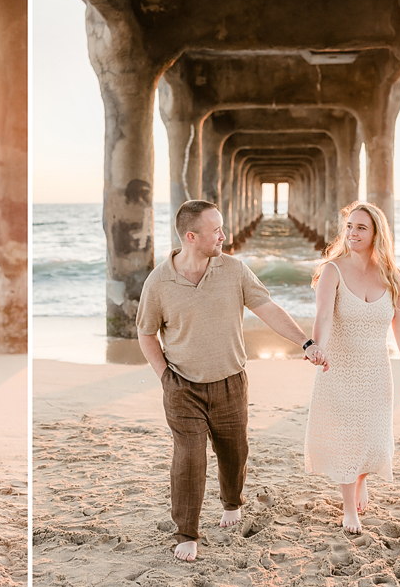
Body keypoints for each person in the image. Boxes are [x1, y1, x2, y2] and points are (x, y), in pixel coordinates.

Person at [137, 199, 326, 562]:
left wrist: (306, 342)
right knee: (189, 459)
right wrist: (165, 377)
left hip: (230, 383)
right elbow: (146, 333)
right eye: (216, 230)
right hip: (183, 387)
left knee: (234, 452)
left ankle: (231, 502)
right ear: (191, 237)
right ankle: (186, 533)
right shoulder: (158, 281)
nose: (224, 235)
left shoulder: (235, 270)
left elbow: (268, 309)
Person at [304, 202, 400, 534]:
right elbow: (324, 316)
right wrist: (318, 347)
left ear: (376, 234)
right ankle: (349, 509)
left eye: (361, 228)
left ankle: (361, 478)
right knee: (346, 439)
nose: (352, 233)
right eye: (349, 226)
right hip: (338, 370)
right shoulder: (332, 271)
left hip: (376, 372)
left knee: (373, 439)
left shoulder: (392, 277)